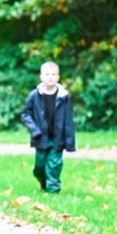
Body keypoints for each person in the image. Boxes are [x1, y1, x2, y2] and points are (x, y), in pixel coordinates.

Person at [21, 61, 76, 193]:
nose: (50, 77)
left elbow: (68, 120)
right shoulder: (34, 95)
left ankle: (54, 189)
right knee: (39, 166)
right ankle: (43, 181)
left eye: (53, 74)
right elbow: (25, 114)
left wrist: (69, 141)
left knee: (54, 164)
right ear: (41, 77)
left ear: (58, 77)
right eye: (47, 74)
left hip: (58, 138)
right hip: (40, 137)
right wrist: (34, 130)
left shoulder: (64, 97)